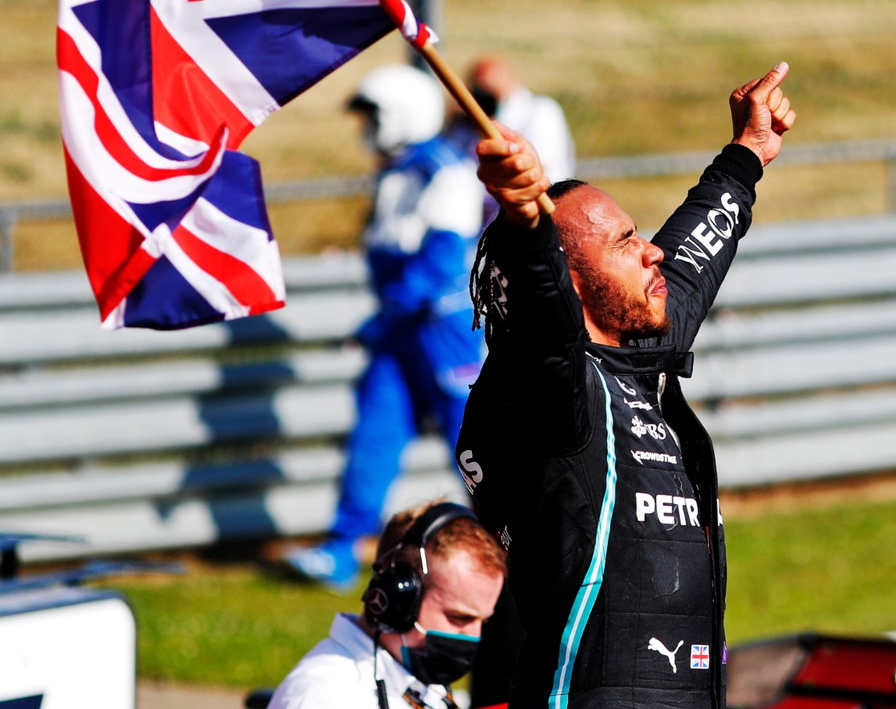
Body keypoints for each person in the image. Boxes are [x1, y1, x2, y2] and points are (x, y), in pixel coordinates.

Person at [456, 62, 796, 709]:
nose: (653, 251)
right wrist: (525, 221)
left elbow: (692, 263)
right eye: (626, 242)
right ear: (571, 282)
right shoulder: (547, 389)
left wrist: (746, 155)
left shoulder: (636, 357)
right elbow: (540, 311)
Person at [287, 65, 485, 590]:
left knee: (473, 445)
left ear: (400, 115)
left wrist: (382, 315)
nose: (365, 128)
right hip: (399, 329)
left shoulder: (447, 173)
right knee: (373, 435)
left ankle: (514, 542)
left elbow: (440, 266)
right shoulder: (395, 173)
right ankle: (341, 547)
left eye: (371, 116)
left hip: (444, 332)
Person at [269, 500, 506, 709]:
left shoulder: (419, 687)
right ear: (396, 600)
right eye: (459, 618)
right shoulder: (327, 698)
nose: (474, 636)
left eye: (482, 621)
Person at [460, 54, 576, 184]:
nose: (486, 95)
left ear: (509, 81)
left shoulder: (541, 111)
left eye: (491, 88)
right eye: (480, 90)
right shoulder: (465, 121)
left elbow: (539, 166)